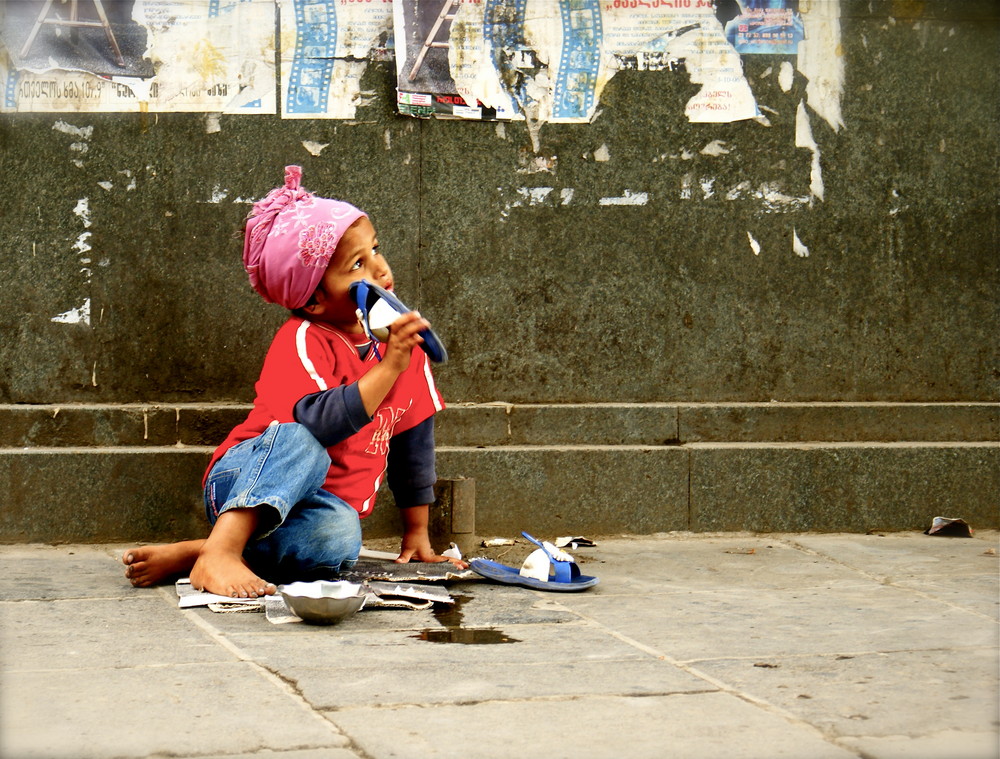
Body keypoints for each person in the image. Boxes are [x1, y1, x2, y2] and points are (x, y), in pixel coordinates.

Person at [123, 165, 462, 598]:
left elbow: (414, 444)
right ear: (315, 300)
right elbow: (317, 425)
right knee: (305, 442)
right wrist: (389, 367)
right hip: (245, 481)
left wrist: (417, 535)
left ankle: (202, 554)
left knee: (339, 539)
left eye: (376, 249)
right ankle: (223, 546)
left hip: (309, 512)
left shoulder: (401, 347)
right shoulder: (304, 338)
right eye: (357, 264)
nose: (379, 269)